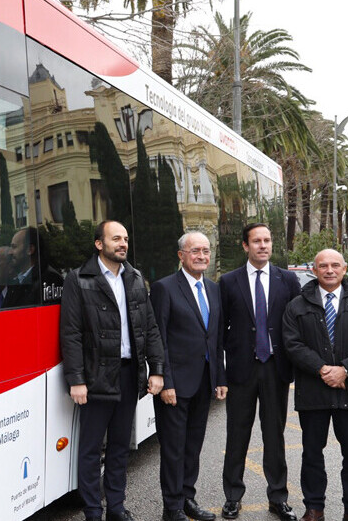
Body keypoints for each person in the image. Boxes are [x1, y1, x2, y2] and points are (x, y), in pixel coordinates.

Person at [60, 220, 165, 521]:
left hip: (130, 374)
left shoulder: (134, 277)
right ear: (99, 244)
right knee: (91, 450)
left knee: (120, 447)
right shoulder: (78, 279)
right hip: (95, 376)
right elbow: (71, 334)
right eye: (116, 238)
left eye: (126, 239)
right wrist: (76, 379)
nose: (123, 244)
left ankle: (116, 508)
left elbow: (150, 327)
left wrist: (156, 369)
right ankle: (93, 511)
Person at [283, 249, 348, 521]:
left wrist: (346, 369)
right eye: (323, 265)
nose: (329, 270)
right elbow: (292, 344)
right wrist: (322, 368)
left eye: (334, 265)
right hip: (313, 390)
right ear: (313, 270)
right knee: (312, 453)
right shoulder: (297, 305)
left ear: (344, 268)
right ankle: (314, 508)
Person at [219, 223, 301, 521]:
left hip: (275, 369)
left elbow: (296, 324)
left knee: (275, 436)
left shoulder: (288, 279)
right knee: (236, 435)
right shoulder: (228, 282)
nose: (263, 245)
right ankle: (232, 496)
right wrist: (220, 374)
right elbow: (219, 330)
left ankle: (278, 498)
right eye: (256, 241)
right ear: (245, 246)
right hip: (241, 369)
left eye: (267, 240)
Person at [150, 231, 227, 521]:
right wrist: (165, 381)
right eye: (195, 250)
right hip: (175, 385)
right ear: (181, 255)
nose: (202, 256)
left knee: (193, 446)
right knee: (173, 448)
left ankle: (187, 499)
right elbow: (158, 340)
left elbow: (216, 337)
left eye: (206, 251)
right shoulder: (164, 288)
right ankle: (171, 508)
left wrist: (220, 378)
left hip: (204, 381)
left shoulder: (214, 288)